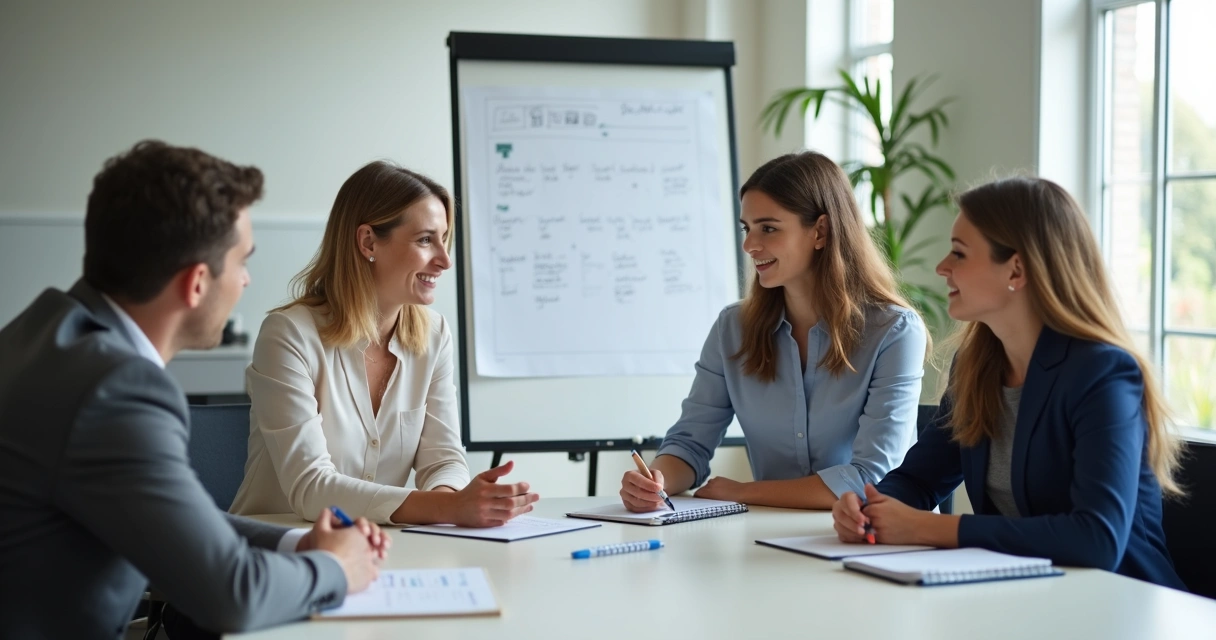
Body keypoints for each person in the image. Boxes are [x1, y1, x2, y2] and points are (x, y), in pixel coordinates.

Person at [0, 140, 389, 639]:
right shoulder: (116, 390)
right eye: (243, 261)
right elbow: (233, 594)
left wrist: (300, 545)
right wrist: (338, 570)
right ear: (197, 283)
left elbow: (185, 524)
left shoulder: (40, 332)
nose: (247, 281)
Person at [831, 176, 1186, 589]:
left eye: (959, 254)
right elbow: (918, 479)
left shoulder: (1103, 373)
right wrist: (867, 508)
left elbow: (1097, 538)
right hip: (1025, 597)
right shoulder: (976, 365)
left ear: (1016, 268)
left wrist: (931, 529)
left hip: (1121, 603)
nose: (942, 267)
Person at [230, 161, 538, 527]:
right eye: (425, 240)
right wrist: (448, 509)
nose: (444, 260)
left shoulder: (434, 334)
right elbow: (311, 487)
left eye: (444, 238)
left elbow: (443, 460)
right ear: (368, 242)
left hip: (377, 549)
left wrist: (452, 500)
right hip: (275, 551)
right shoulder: (289, 334)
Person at [620, 151, 928, 512]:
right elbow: (690, 442)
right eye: (746, 228)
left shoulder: (893, 331)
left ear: (821, 231)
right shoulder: (731, 328)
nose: (750, 245)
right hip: (772, 538)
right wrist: (656, 481)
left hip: (879, 542)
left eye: (768, 228)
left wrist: (744, 492)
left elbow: (870, 479)